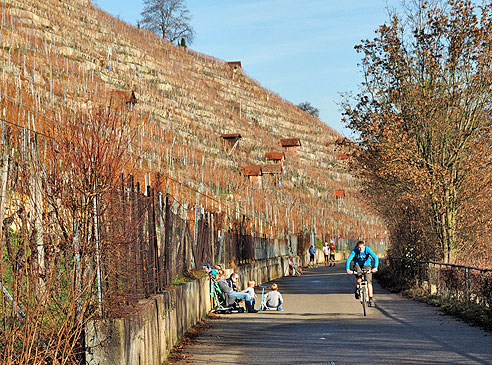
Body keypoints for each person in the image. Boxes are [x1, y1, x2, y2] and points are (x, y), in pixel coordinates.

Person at [345, 240, 379, 306]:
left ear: (364, 246)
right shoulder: (355, 251)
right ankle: (357, 289)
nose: (361, 249)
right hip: (357, 264)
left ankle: (370, 299)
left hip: (367, 265)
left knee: (369, 282)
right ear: (357, 247)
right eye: (359, 248)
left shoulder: (367, 250)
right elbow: (349, 259)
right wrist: (348, 269)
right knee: (358, 276)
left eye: (362, 247)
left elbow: (375, 258)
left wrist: (375, 267)